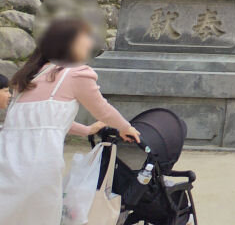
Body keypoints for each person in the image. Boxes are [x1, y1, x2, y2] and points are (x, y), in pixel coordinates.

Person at [0, 19, 142, 224]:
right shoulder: (76, 73)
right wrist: (125, 127)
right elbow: (102, 109)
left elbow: (41, 122)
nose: (90, 43)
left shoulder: (29, 76)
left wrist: (86, 130)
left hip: (6, 160)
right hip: (38, 164)